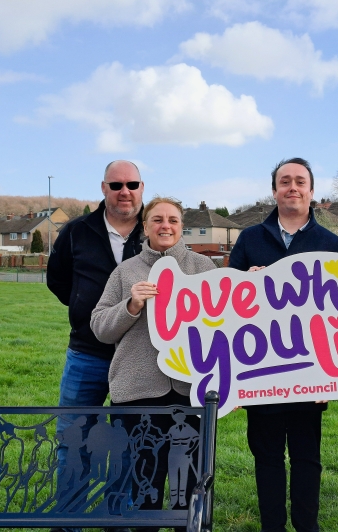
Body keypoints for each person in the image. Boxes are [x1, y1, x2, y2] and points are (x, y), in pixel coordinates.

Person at [228, 157, 338, 532]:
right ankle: (273, 527)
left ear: (311, 191)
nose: (292, 187)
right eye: (284, 181)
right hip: (261, 370)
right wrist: (245, 284)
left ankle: (307, 526)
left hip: (311, 371)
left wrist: (331, 375)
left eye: (300, 181)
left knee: (306, 458)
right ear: (274, 191)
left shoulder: (331, 243)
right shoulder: (249, 239)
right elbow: (228, 306)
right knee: (267, 458)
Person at [90, 196, 216, 532]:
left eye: (173, 220)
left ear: (181, 227)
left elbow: (227, 320)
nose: (165, 226)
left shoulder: (203, 268)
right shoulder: (126, 271)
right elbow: (100, 327)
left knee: (189, 485)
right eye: (157, 220)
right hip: (139, 392)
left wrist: (255, 283)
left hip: (191, 392)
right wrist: (131, 305)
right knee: (145, 482)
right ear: (145, 227)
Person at [46, 160, 145, 531]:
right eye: (116, 185)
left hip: (137, 357)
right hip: (86, 355)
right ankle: (68, 522)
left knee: (130, 444)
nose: (124, 192)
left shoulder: (155, 230)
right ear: (103, 188)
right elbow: (58, 281)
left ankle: (117, 521)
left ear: (142, 187)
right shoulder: (77, 231)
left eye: (132, 184)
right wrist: (85, 309)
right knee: (73, 440)